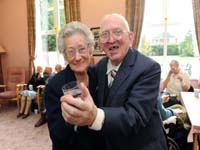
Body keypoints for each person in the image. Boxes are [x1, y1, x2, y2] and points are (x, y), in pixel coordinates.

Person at [60, 13, 168, 150]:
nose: (111, 40)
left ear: (130, 37)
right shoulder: (100, 66)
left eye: (117, 32)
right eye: (104, 35)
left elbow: (134, 117)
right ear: (100, 43)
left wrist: (94, 116)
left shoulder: (148, 68)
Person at [45, 21, 101, 150]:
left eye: (82, 49)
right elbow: (57, 132)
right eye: (70, 52)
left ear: (90, 49)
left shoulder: (97, 75)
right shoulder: (54, 85)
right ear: (64, 55)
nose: (77, 57)